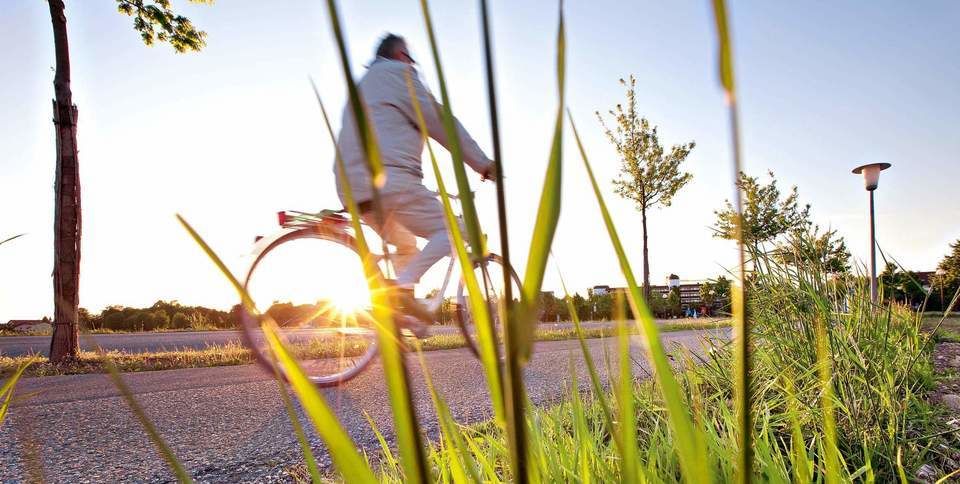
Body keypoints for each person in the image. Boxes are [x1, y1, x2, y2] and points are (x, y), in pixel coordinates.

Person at [334, 33, 495, 336]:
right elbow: (439, 120)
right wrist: (483, 164)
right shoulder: (399, 74)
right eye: (410, 58)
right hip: (388, 181)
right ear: (400, 55)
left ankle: (401, 317)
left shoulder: (363, 86)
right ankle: (401, 289)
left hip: (351, 187)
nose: (412, 64)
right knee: (454, 231)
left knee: (406, 244)